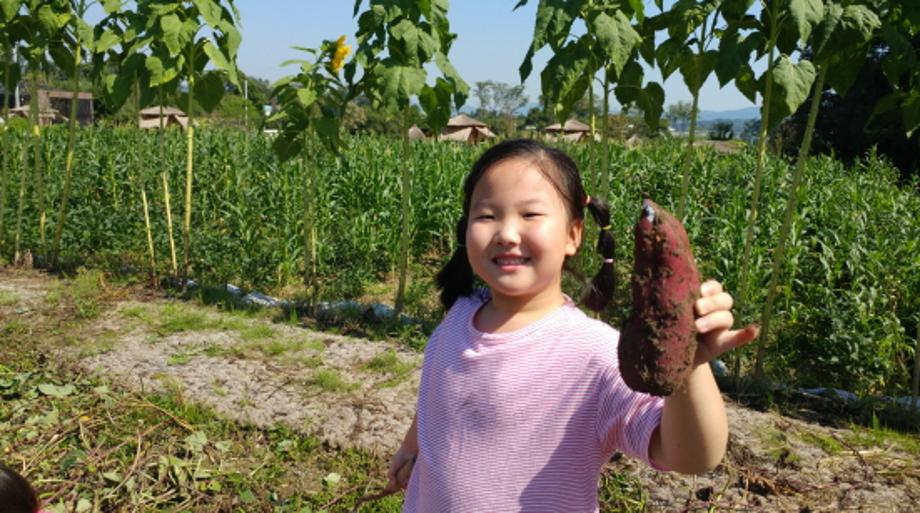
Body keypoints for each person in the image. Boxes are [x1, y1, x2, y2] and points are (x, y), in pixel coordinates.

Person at [385, 139, 760, 512]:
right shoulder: (461, 314)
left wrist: (690, 368)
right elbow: (438, 397)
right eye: (487, 216)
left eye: (530, 215)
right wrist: (410, 446)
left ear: (573, 235)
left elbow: (690, 457)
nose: (507, 233)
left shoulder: (591, 353)